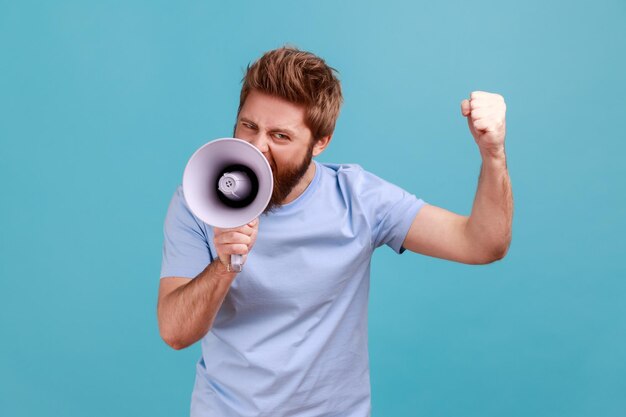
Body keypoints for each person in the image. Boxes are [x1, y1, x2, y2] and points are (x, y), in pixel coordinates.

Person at [157, 46, 513, 417]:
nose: (257, 147)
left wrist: (494, 154)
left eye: (280, 136)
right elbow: (175, 333)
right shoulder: (197, 200)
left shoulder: (359, 199)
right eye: (249, 126)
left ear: (321, 142)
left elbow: (482, 244)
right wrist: (225, 264)